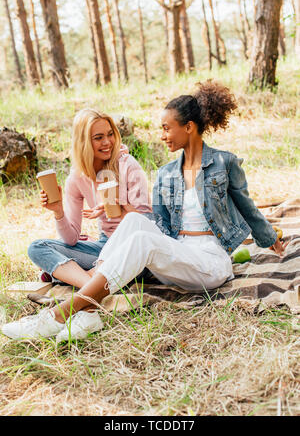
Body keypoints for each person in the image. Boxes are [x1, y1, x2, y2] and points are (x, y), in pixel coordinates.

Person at [2, 81, 288, 341]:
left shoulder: (225, 163)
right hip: (177, 252)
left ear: (188, 127)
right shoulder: (167, 174)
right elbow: (156, 224)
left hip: (210, 261)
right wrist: (122, 212)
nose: (162, 135)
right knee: (136, 221)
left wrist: (267, 238)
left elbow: (247, 208)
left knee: (140, 235)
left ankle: (57, 316)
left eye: (167, 128)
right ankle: (88, 314)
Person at [26, 108, 152, 289]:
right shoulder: (77, 178)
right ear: (83, 142)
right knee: (37, 248)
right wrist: (58, 211)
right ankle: (93, 287)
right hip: (104, 246)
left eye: (110, 134)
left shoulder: (128, 165)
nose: (107, 142)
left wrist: (121, 205)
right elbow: (71, 239)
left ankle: (73, 277)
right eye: (98, 137)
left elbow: (148, 223)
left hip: (135, 247)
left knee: (69, 263)